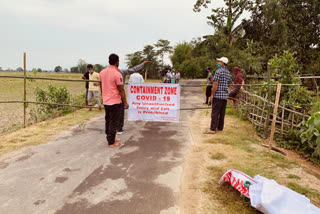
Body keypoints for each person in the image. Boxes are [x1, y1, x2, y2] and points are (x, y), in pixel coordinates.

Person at [99, 54, 129, 147]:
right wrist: (125, 102)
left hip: (106, 100)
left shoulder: (102, 72)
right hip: (115, 101)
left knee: (108, 120)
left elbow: (101, 86)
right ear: (117, 61)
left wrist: (103, 96)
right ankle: (111, 142)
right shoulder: (117, 74)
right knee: (114, 122)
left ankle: (110, 138)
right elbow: (121, 89)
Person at [117, 61, 150, 134]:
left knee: (133, 100)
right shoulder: (140, 76)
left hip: (132, 90)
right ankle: (119, 128)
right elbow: (142, 83)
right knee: (138, 101)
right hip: (138, 90)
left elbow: (129, 82)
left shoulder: (131, 76)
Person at [204, 57, 232, 134]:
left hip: (218, 95)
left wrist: (212, 95)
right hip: (225, 95)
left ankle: (212, 129)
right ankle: (220, 127)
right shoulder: (228, 72)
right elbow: (229, 84)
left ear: (222, 63)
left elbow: (215, 84)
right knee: (222, 113)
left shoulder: (218, 71)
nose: (218, 63)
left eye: (219, 62)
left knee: (215, 112)